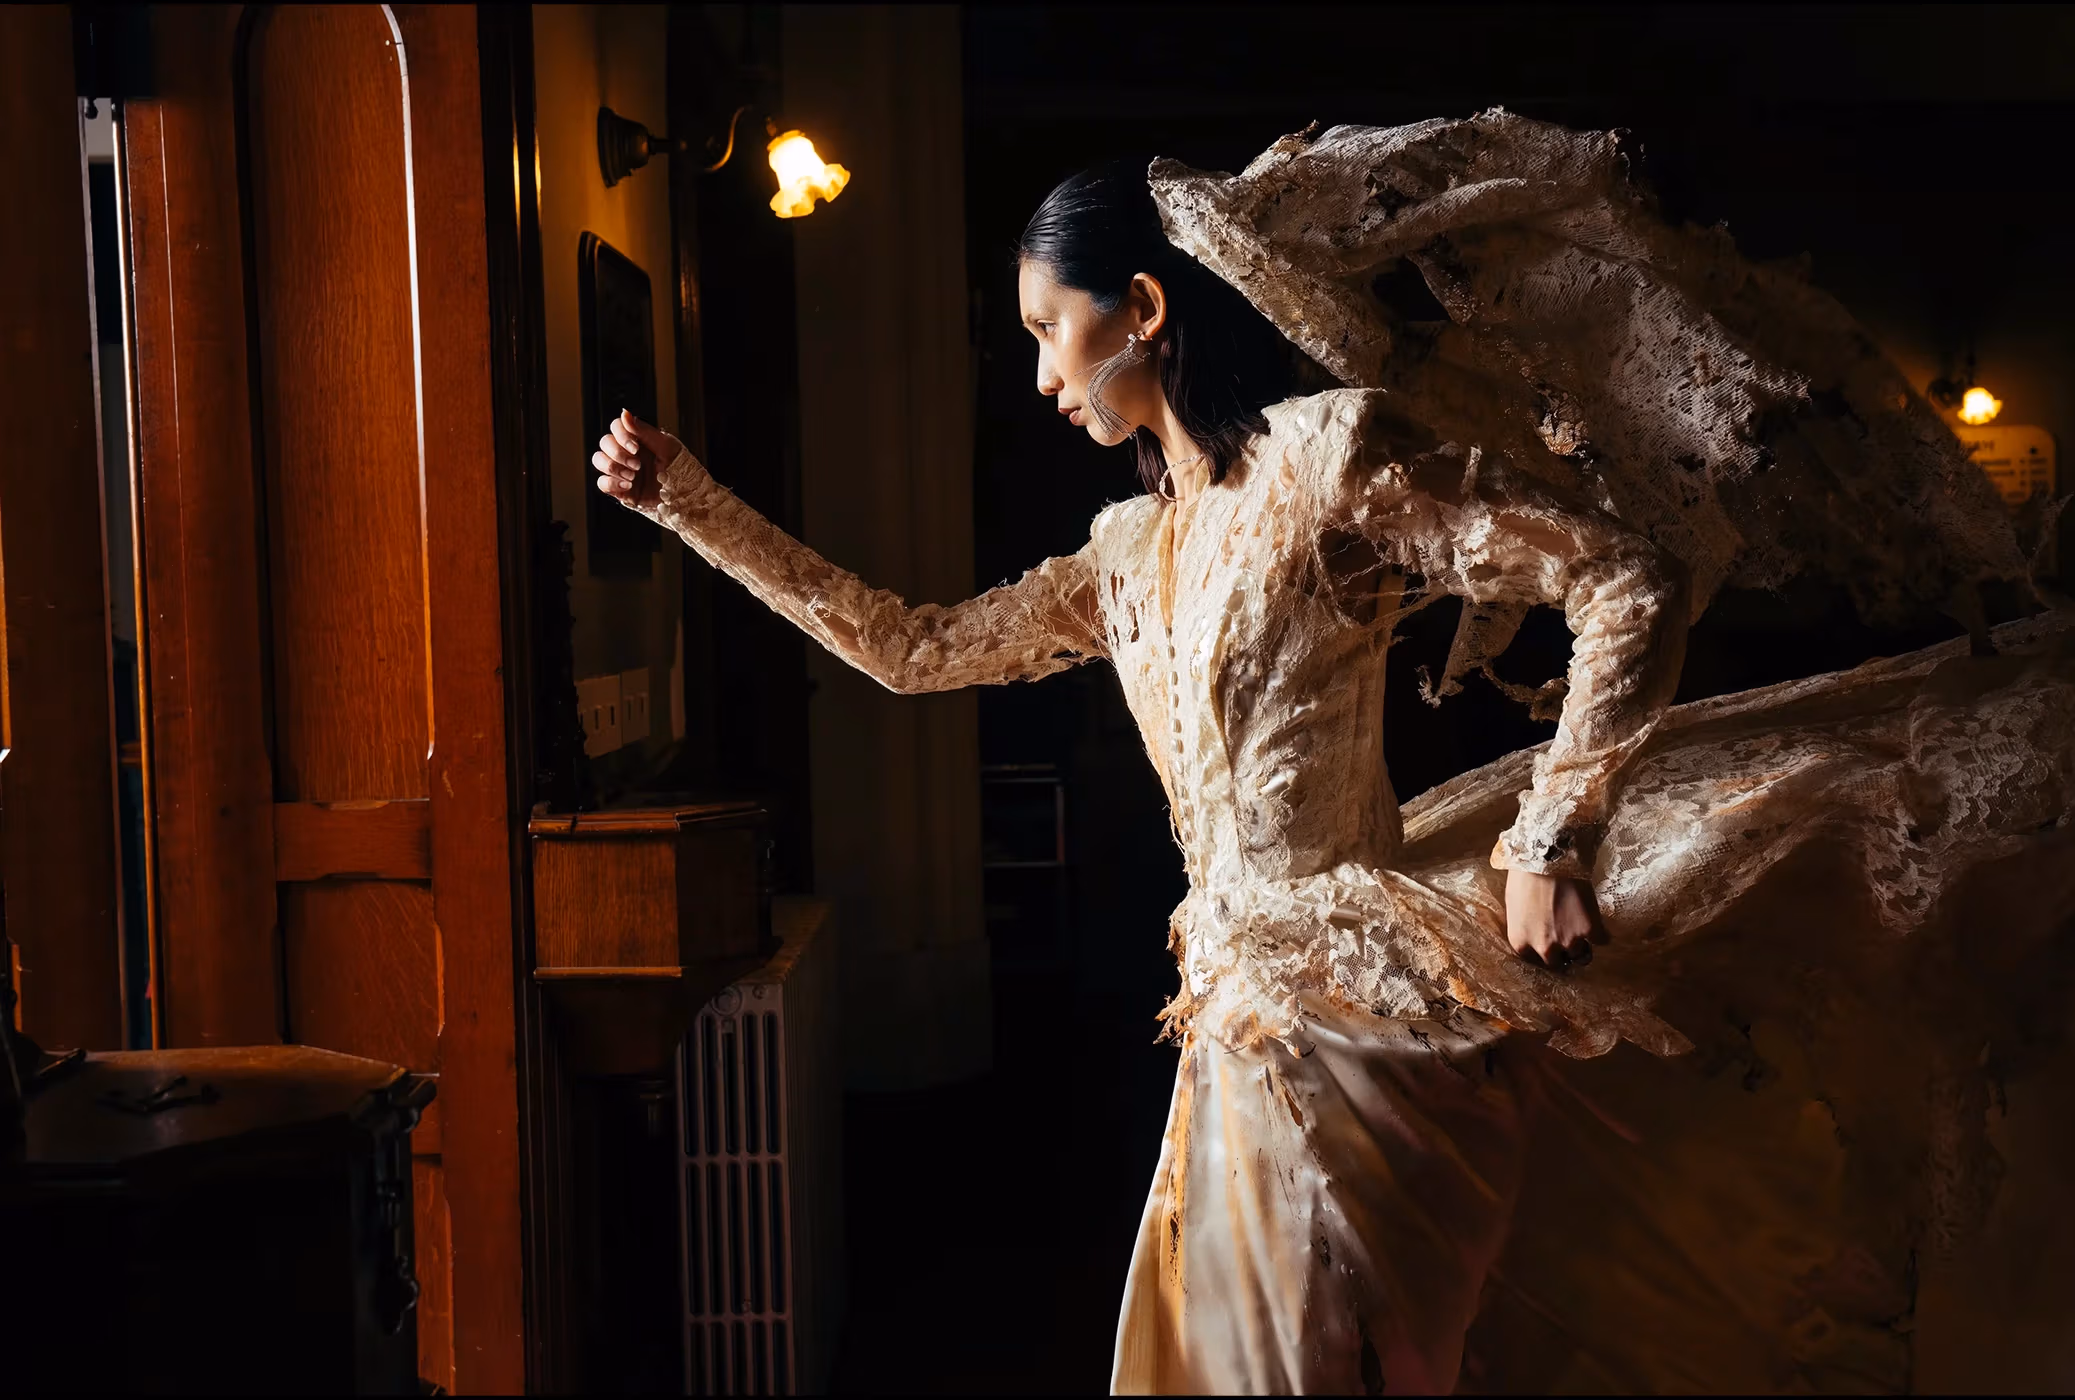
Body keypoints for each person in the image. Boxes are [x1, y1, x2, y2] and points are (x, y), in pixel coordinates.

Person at [596, 111, 2075, 1394]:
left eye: (1052, 329)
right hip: (1229, 1026)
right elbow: (910, 649)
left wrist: (1552, 833)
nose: (1041, 375)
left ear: (1145, 309)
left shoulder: (1329, 458)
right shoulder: (1120, 551)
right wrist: (693, 506)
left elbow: (1622, 577)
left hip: (1367, 1010)